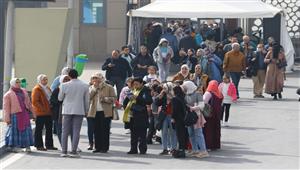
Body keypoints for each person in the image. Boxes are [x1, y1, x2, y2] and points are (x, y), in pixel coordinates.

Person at [58, 69, 89, 157]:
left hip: (67, 110)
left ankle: (64, 151)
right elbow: (87, 100)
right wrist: (86, 110)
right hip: (79, 110)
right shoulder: (84, 85)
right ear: (77, 75)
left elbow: (60, 98)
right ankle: (74, 151)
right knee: (76, 131)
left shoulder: (64, 85)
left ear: (69, 75)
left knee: (64, 131)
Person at [88, 73, 116, 153]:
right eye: (94, 78)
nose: (95, 80)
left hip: (105, 111)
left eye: (97, 78)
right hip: (94, 111)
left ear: (101, 78)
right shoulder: (91, 87)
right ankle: (97, 147)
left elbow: (114, 99)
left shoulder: (109, 87)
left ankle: (104, 147)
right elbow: (88, 97)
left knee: (105, 130)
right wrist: (94, 88)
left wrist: (105, 99)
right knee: (96, 130)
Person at [3, 78, 34, 152]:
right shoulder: (8, 94)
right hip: (15, 115)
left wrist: (34, 113)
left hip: (24, 114)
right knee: (15, 131)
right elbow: (6, 108)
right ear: (12, 83)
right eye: (17, 82)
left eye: (19, 82)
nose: (18, 83)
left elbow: (29, 103)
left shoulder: (24, 91)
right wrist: (7, 119)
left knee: (26, 130)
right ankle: (15, 147)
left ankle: (27, 146)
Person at [123, 77, 153, 154]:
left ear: (141, 83)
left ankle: (142, 149)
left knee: (142, 133)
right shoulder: (132, 90)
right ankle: (133, 149)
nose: (135, 86)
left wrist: (137, 97)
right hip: (132, 115)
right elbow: (126, 101)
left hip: (141, 115)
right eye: (134, 84)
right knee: (133, 133)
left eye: (137, 84)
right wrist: (126, 107)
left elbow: (149, 101)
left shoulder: (145, 90)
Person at [181, 81, 209, 158]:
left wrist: (193, 108)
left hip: (197, 116)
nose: (184, 88)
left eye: (185, 87)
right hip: (189, 116)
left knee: (199, 134)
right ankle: (195, 150)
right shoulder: (185, 95)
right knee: (191, 134)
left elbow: (202, 105)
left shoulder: (198, 94)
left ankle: (204, 151)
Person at [32, 74, 57, 151]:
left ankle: (49, 145)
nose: (45, 81)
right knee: (39, 129)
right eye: (43, 79)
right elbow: (35, 101)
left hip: (49, 112)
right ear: (39, 80)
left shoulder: (48, 88)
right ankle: (39, 145)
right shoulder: (37, 89)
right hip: (40, 113)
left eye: (46, 79)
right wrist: (43, 108)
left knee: (49, 129)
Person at [156, 82, 177, 155]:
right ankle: (165, 148)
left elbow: (177, 102)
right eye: (163, 88)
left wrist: (171, 97)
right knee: (164, 132)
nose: (164, 89)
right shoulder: (163, 95)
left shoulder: (174, 94)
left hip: (172, 115)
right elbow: (157, 103)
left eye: (165, 88)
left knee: (173, 132)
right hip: (164, 115)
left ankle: (173, 148)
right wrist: (160, 95)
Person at [50, 75, 71, 146]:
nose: (66, 81)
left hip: (69, 112)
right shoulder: (57, 90)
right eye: (65, 80)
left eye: (68, 80)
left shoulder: (71, 89)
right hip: (58, 113)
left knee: (70, 130)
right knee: (60, 129)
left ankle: (74, 145)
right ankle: (63, 145)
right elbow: (52, 101)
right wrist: (61, 102)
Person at [203, 80, 223, 150]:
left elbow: (204, 102)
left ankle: (208, 145)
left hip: (209, 114)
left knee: (208, 130)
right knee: (216, 129)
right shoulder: (219, 93)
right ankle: (215, 145)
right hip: (217, 114)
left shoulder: (208, 93)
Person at [171, 86, 187, 158]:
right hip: (183, 118)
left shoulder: (175, 99)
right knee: (183, 135)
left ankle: (180, 151)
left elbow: (174, 110)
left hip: (177, 119)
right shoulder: (182, 97)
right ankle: (182, 150)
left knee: (179, 135)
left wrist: (173, 118)